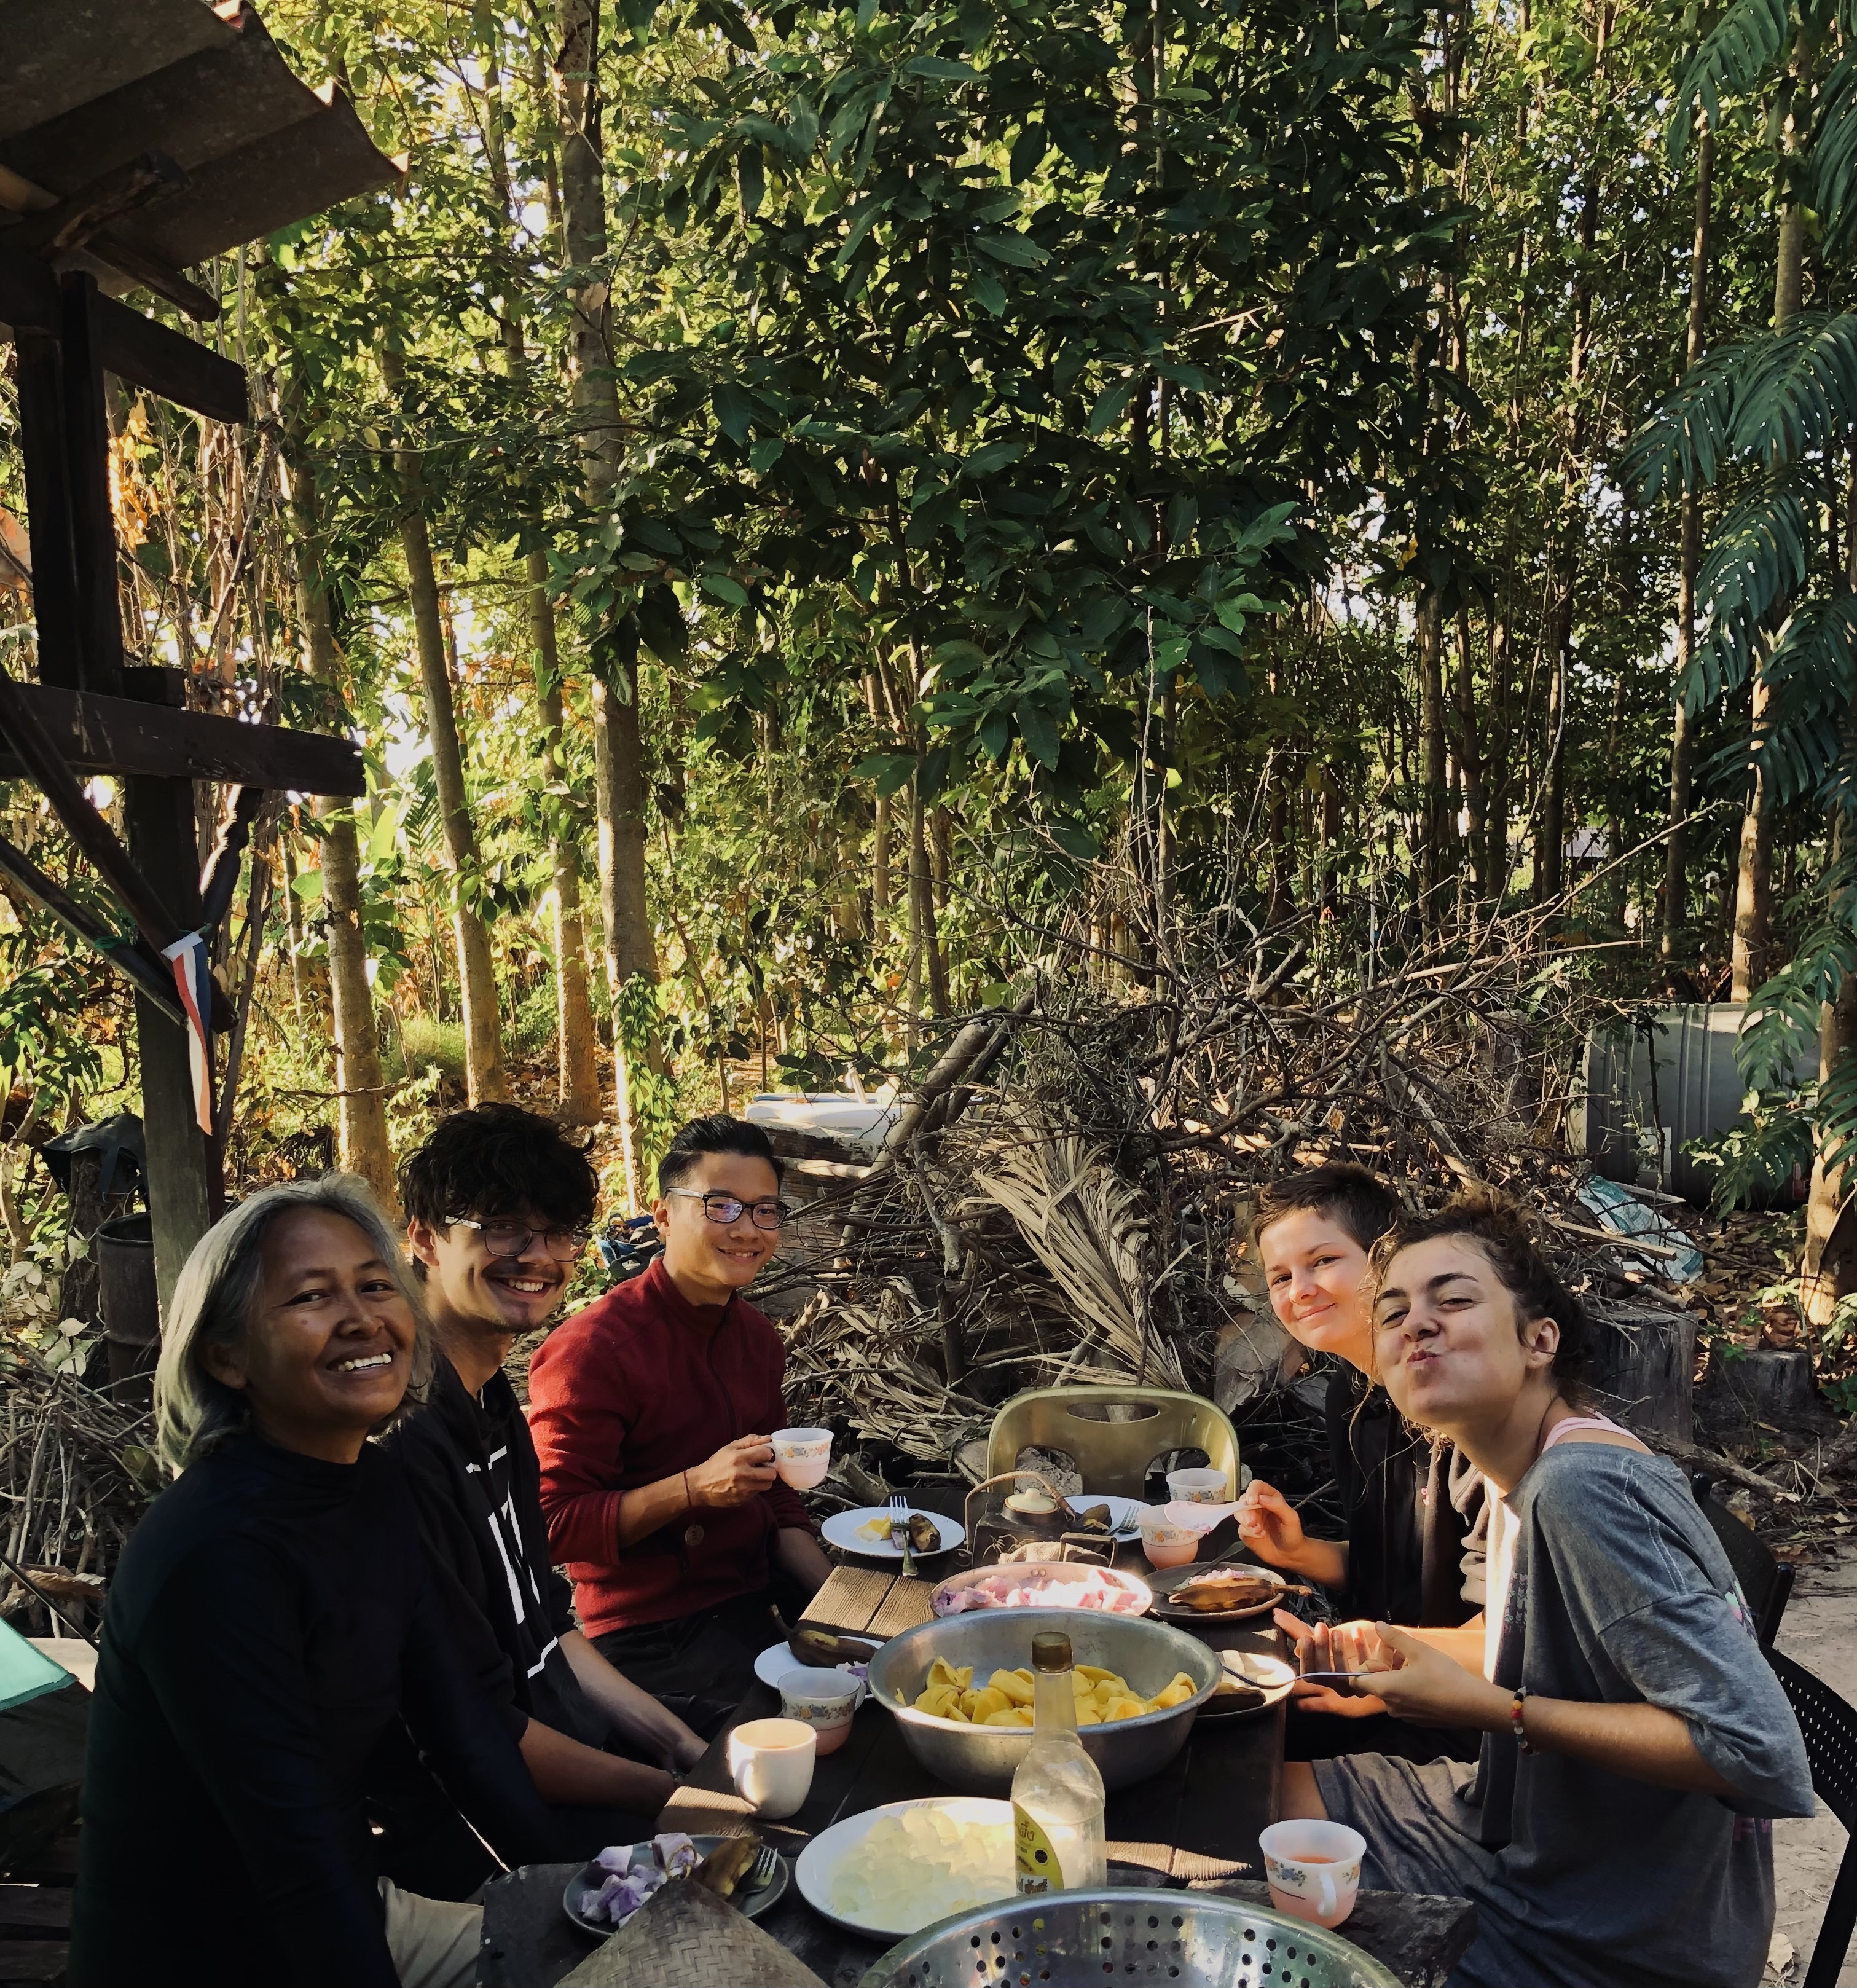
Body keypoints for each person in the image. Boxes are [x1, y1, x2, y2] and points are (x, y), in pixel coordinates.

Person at [1281, 1192, 1814, 1988]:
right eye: (1391, 1312)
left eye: (1452, 1298)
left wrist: (1490, 1709)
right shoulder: (1528, 1472)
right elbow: (1553, 1650)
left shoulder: (1577, 1486)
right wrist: (1403, 1671)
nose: (1414, 1323)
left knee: (1235, 1863)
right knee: (1268, 1783)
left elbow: (1762, 1755)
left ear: (1539, 1338)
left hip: (1617, 1928)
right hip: (1527, 1831)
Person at [71, 1178, 548, 1988]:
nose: (362, 1316)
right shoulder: (216, 1553)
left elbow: (465, 1730)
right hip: (201, 1949)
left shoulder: (379, 1485)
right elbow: (294, 1848)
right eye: (311, 1296)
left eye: (373, 1284)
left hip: (340, 1899)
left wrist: (591, 1886)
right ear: (226, 1356)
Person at [369, 1104, 708, 1897]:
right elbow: (473, 1738)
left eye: (556, 1232)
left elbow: (549, 1625)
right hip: (488, 1830)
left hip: (570, 1751)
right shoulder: (403, 1445)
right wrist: (672, 1796)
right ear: (423, 1236)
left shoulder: (493, 1408)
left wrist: (682, 1745)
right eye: (501, 1228)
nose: (537, 1256)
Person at [530, 1114, 833, 1714]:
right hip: (649, 1630)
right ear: (664, 1214)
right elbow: (552, 1525)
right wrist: (692, 1488)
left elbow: (774, 1496)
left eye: (765, 1210)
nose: (747, 1229)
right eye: (720, 1206)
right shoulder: (592, 1349)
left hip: (752, 1592)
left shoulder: (754, 1337)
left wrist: (839, 1597)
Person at [1233, 1164, 1485, 1761]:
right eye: (1280, 1276)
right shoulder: (1352, 1396)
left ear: (1385, 1256)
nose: (1299, 1290)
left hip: (1459, 1721)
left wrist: (1379, 1657)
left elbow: (1519, 1631)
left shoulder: (1466, 1413)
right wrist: (1299, 1553)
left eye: (1322, 1261)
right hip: (1370, 1680)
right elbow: (1394, 1567)